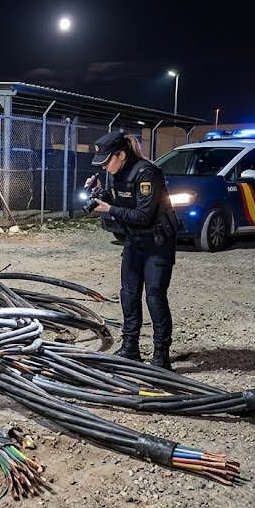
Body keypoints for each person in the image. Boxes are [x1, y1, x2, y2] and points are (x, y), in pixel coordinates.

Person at [85, 131, 179, 370]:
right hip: (134, 242)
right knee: (129, 294)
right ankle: (130, 348)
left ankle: (161, 356)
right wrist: (100, 193)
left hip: (156, 244)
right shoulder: (118, 173)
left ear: (122, 155)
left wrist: (109, 209)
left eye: (107, 162)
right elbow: (121, 200)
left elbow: (143, 215)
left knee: (155, 296)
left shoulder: (147, 173)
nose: (105, 167)